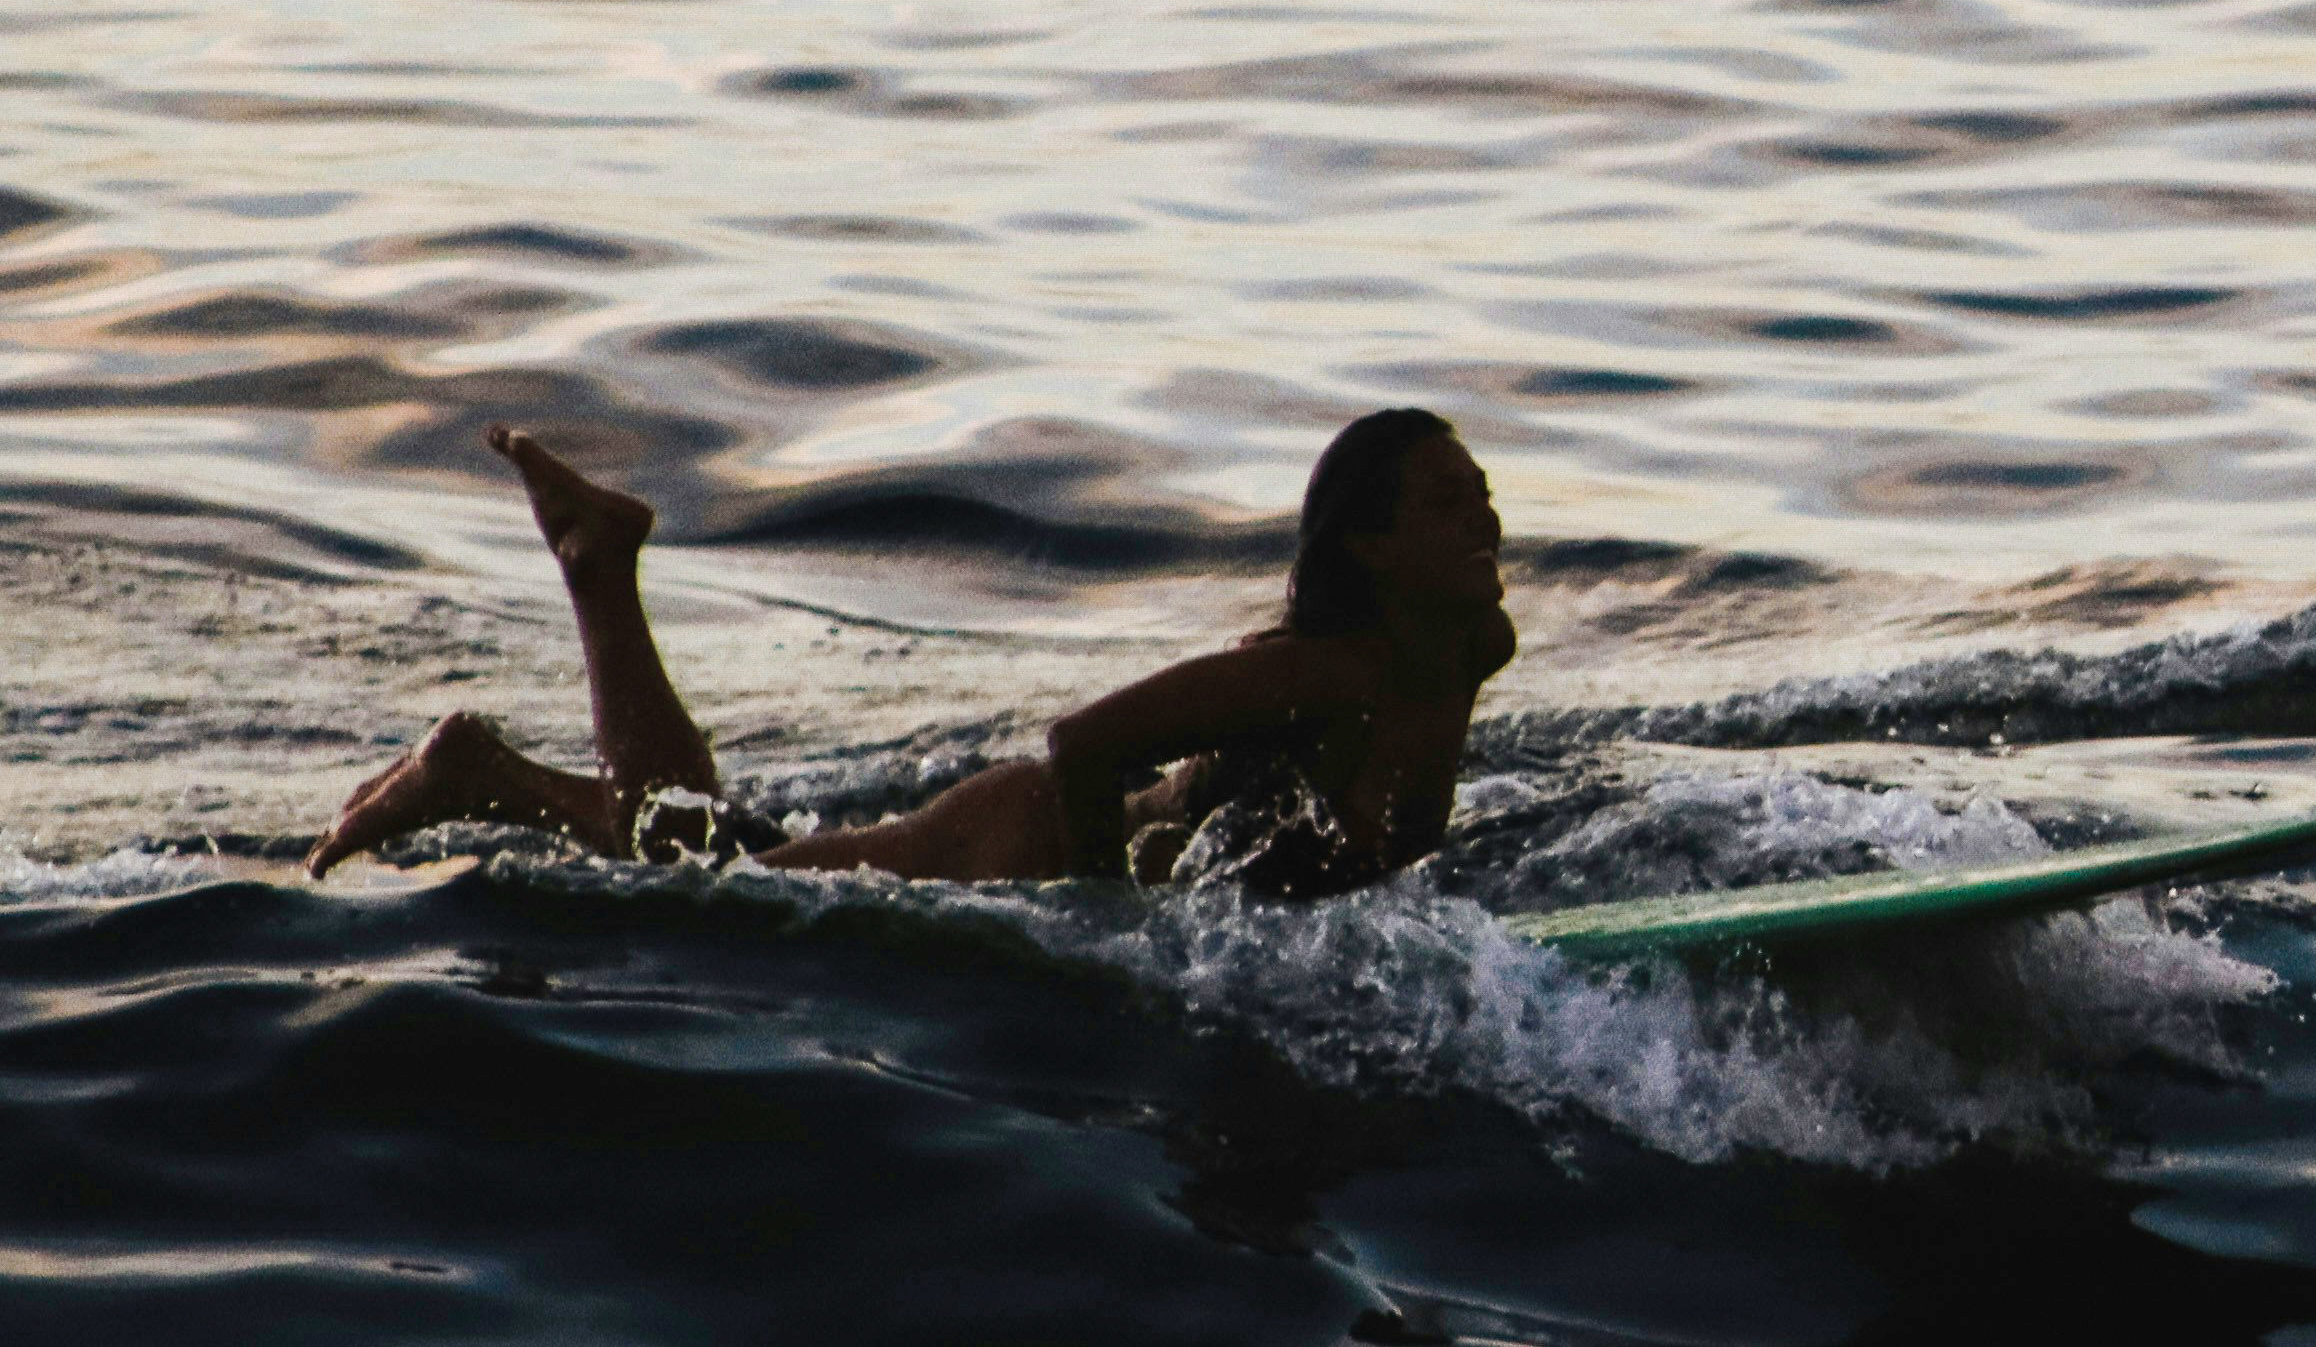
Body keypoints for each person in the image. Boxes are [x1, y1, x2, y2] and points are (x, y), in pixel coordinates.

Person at [310, 410, 1515, 895]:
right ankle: (493, 757)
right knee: (701, 901)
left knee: (712, 854)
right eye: (1452, 505)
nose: (1489, 521)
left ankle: (595, 574)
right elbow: (1083, 743)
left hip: (1032, 859)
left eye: (1485, 495)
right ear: (1370, 546)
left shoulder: (1463, 652)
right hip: (997, 857)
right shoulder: (1325, 673)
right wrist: (1108, 928)